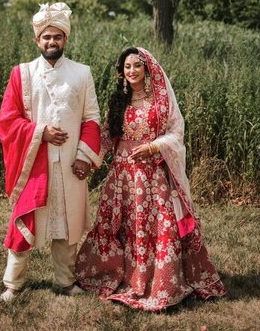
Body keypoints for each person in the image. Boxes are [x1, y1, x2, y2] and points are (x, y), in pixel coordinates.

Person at [75, 47, 226, 311]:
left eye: (137, 66)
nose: (131, 71)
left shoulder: (160, 103)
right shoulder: (118, 102)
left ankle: (157, 281)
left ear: (148, 69)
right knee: (116, 225)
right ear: (122, 72)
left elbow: (177, 132)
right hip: (121, 177)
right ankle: (115, 274)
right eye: (127, 67)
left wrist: (154, 146)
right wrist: (89, 161)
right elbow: (109, 138)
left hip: (150, 177)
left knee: (154, 227)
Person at [0, 2, 102, 302]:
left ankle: (65, 282)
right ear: (37, 40)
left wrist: (84, 156)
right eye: (46, 37)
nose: (51, 42)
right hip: (35, 164)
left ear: (65, 39)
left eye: (57, 36)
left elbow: (91, 118)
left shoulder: (82, 73)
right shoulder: (22, 73)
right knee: (25, 222)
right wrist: (40, 132)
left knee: (66, 226)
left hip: (71, 162)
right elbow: (8, 119)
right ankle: (13, 284)